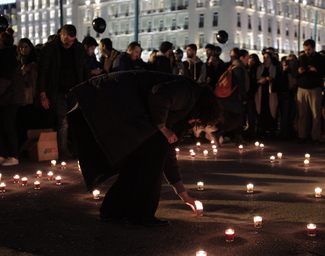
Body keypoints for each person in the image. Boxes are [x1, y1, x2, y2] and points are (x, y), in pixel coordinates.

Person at [67, 71, 222, 227]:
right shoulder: (188, 92)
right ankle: (141, 215)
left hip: (118, 104)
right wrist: (163, 128)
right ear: (202, 109)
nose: (194, 122)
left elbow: (168, 153)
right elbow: (159, 94)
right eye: (198, 119)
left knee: (141, 158)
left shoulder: (183, 111)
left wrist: (183, 195)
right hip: (108, 99)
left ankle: (113, 210)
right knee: (150, 164)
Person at [37, 24, 91, 160]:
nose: (69, 43)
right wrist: (43, 94)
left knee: (77, 120)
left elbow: (85, 69)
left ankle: (77, 150)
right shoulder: (50, 49)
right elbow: (43, 72)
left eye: (72, 40)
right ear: (61, 35)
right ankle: (63, 151)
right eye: (67, 40)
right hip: (58, 90)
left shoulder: (78, 49)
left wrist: (87, 88)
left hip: (75, 90)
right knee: (63, 121)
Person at [296, 39, 325, 142]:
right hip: (302, 88)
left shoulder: (320, 58)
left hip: (315, 88)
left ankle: (315, 136)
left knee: (316, 114)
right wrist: (299, 71)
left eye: (309, 49)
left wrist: (316, 70)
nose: (307, 52)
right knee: (302, 113)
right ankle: (302, 135)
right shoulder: (301, 58)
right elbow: (294, 74)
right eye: (305, 49)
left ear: (313, 48)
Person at [0, 32, 24, 166]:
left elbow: (5, 80)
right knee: (5, 126)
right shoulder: (8, 54)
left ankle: (13, 155)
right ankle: (3, 154)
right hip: (8, 97)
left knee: (8, 126)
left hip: (10, 97)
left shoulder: (6, 56)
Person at [255, 51, 281, 139]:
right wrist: (259, 81)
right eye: (264, 57)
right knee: (261, 110)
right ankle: (262, 129)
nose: (265, 59)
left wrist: (271, 80)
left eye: (267, 58)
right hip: (261, 93)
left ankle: (271, 129)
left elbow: (278, 81)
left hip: (271, 93)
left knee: (271, 110)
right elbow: (255, 80)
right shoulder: (259, 68)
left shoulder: (275, 68)